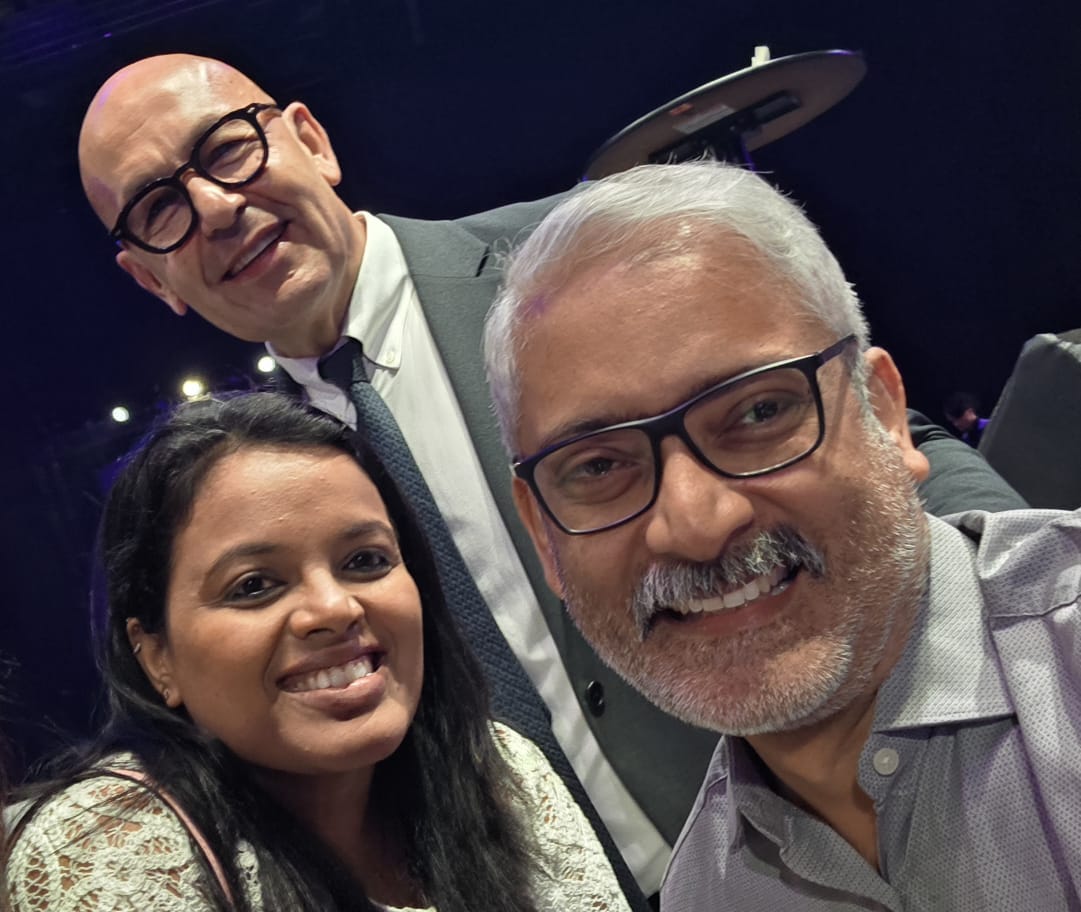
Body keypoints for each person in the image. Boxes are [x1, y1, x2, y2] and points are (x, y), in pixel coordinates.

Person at [75, 53, 1024, 897]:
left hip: (821, 835)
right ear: (150, 278)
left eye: (228, 150)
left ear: (309, 140)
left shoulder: (568, 264)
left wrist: (1024, 622)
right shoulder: (265, 474)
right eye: (160, 207)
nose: (216, 208)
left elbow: (871, 431)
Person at [483, 161, 1081, 910]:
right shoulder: (706, 893)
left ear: (884, 412)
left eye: (758, 412)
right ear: (542, 535)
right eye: (599, 465)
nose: (696, 525)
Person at [4, 392, 631, 912]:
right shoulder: (107, 846)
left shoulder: (499, 766)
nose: (334, 608)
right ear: (156, 657)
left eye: (366, 560)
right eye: (254, 585)